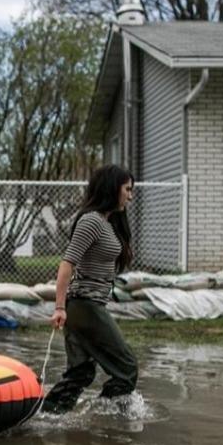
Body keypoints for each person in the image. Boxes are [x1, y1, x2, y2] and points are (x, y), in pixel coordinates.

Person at [41, 165, 139, 415]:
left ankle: (45, 416)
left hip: (86, 306)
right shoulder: (91, 221)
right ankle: (103, 417)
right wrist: (60, 307)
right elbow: (67, 263)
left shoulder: (107, 222)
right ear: (111, 187)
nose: (130, 196)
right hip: (84, 305)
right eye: (127, 189)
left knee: (80, 373)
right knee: (126, 368)